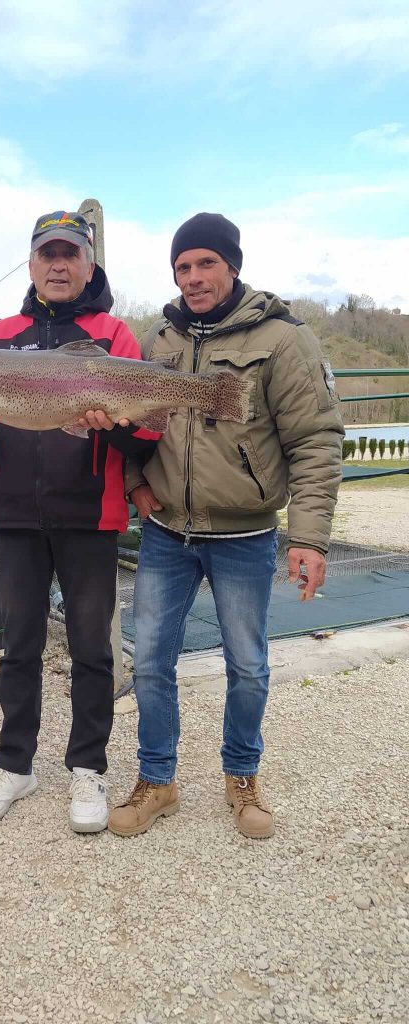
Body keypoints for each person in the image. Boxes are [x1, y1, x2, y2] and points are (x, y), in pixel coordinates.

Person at [100, 212, 344, 840]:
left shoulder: (285, 339)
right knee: (150, 661)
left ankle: (242, 775)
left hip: (245, 533)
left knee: (247, 664)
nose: (193, 277)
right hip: (168, 533)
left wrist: (310, 538)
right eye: (182, 266)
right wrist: (136, 485)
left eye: (206, 262)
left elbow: (317, 440)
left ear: (232, 264)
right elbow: (131, 429)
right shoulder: (159, 342)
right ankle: (157, 779)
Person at [0, 211, 158, 833]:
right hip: (18, 519)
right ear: (31, 265)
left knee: (91, 650)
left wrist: (124, 421)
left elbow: (145, 438)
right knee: (18, 648)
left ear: (88, 264)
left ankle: (88, 768)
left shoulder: (116, 336)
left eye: (70, 254)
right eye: (47, 254)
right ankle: (15, 764)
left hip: (92, 515)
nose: (58, 265)